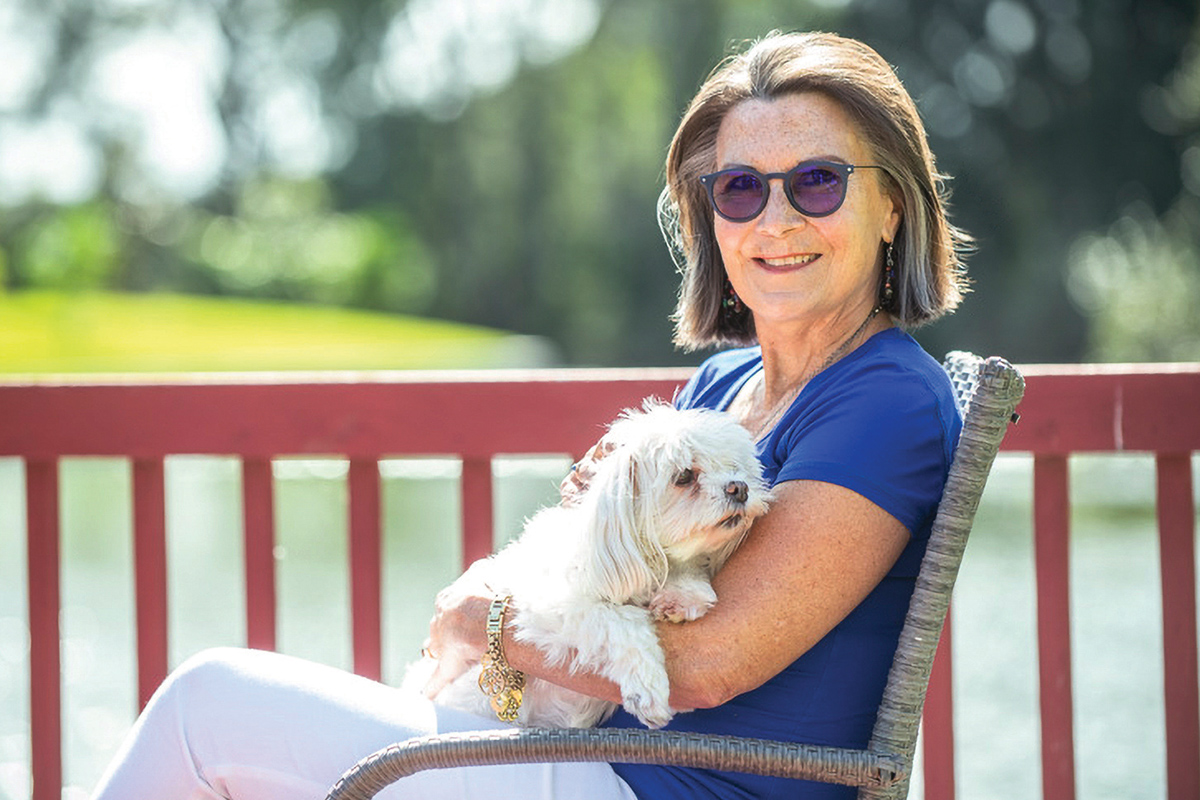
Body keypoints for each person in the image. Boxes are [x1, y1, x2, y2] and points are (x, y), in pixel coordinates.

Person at [90, 30, 968, 800]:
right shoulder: (721, 389)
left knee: (208, 710)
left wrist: (488, 623)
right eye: (739, 189)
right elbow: (591, 564)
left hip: (666, 785)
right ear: (712, 219)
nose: (774, 218)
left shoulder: (885, 400)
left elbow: (702, 666)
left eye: (816, 182)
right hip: (570, 749)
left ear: (893, 205)